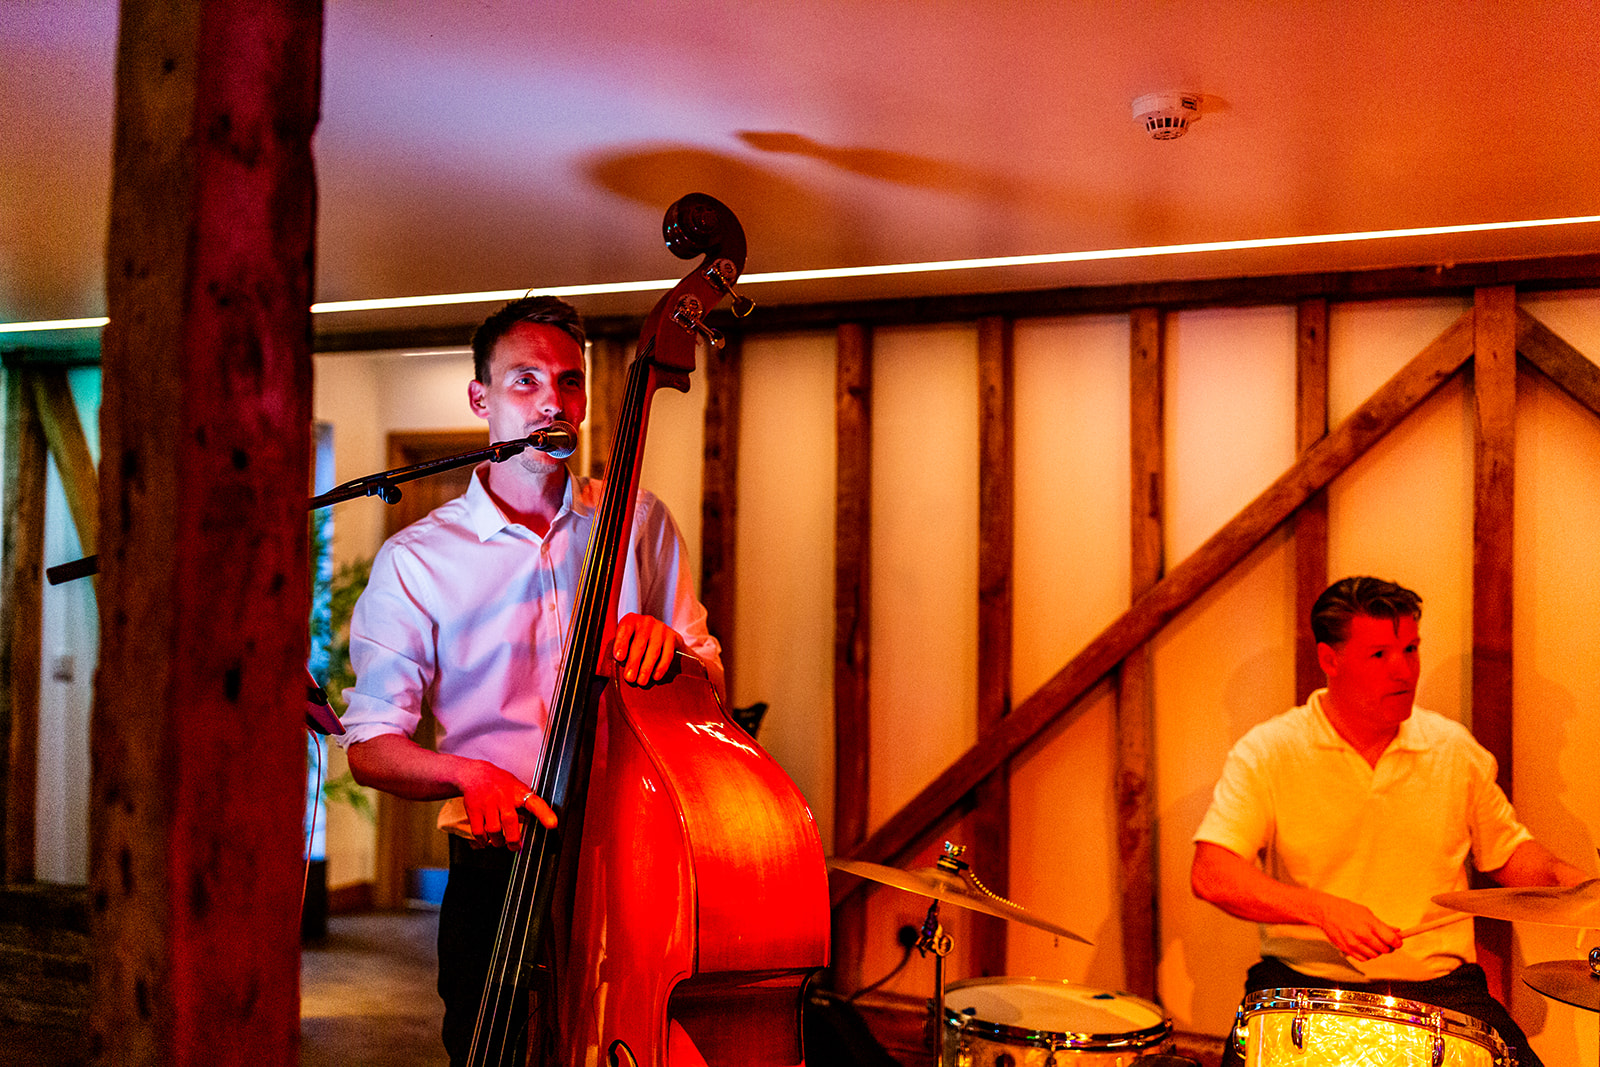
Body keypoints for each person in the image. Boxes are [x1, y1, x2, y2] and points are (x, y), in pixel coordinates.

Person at [335, 295, 724, 1065]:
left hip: (633, 855)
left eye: (569, 382)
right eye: (525, 380)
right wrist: (465, 773)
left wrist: (673, 654)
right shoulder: (418, 559)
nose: (554, 400)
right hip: (498, 866)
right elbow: (371, 744)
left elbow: (707, 673)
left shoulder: (637, 522)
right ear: (481, 398)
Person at [1191, 576, 1587, 1067]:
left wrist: (1572, 885)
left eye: (1411, 649)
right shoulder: (1269, 750)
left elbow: (1508, 855)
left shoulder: (1452, 749)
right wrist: (1323, 910)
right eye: (1379, 655)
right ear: (1329, 659)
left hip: (1440, 989)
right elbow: (1212, 873)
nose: (1403, 670)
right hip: (1305, 983)